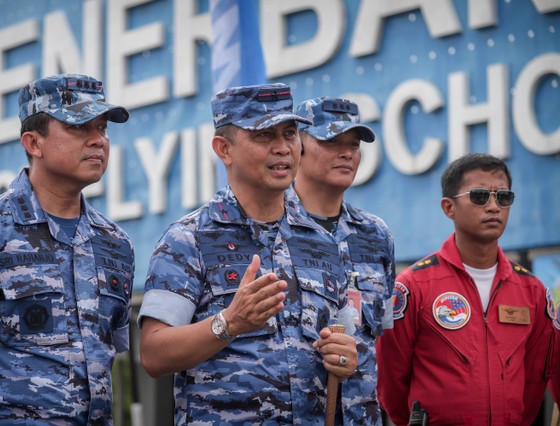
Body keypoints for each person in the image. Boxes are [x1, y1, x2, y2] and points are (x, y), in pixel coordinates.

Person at [137, 83, 359, 425]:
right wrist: (229, 323)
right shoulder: (189, 238)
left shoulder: (322, 241)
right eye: (264, 135)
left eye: (290, 133)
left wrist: (345, 357)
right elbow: (153, 354)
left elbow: (345, 344)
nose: (283, 148)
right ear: (224, 149)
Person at [0, 73, 135, 424]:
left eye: (103, 129)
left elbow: (107, 354)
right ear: (34, 143)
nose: (98, 141)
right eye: (81, 128)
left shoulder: (115, 245)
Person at [376, 153, 555, 425]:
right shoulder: (413, 287)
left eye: (503, 197)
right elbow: (391, 380)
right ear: (449, 207)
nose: (494, 206)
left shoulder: (532, 291)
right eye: (480, 196)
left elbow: (534, 381)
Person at [289, 97, 395, 425]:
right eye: (331, 141)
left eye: (353, 144)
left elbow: (383, 337)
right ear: (298, 147)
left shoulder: (375, 235)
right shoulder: (269, 228)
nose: (347, 152)